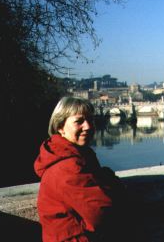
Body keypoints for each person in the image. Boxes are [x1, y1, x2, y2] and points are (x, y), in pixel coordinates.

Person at [34, 96, 125, 242]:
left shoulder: (73, 154)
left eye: (91, 120)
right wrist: (113, 184)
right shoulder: (67, 166)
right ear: (60, 127)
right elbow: (102, 213)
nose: (88, 126)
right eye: (79, 121)